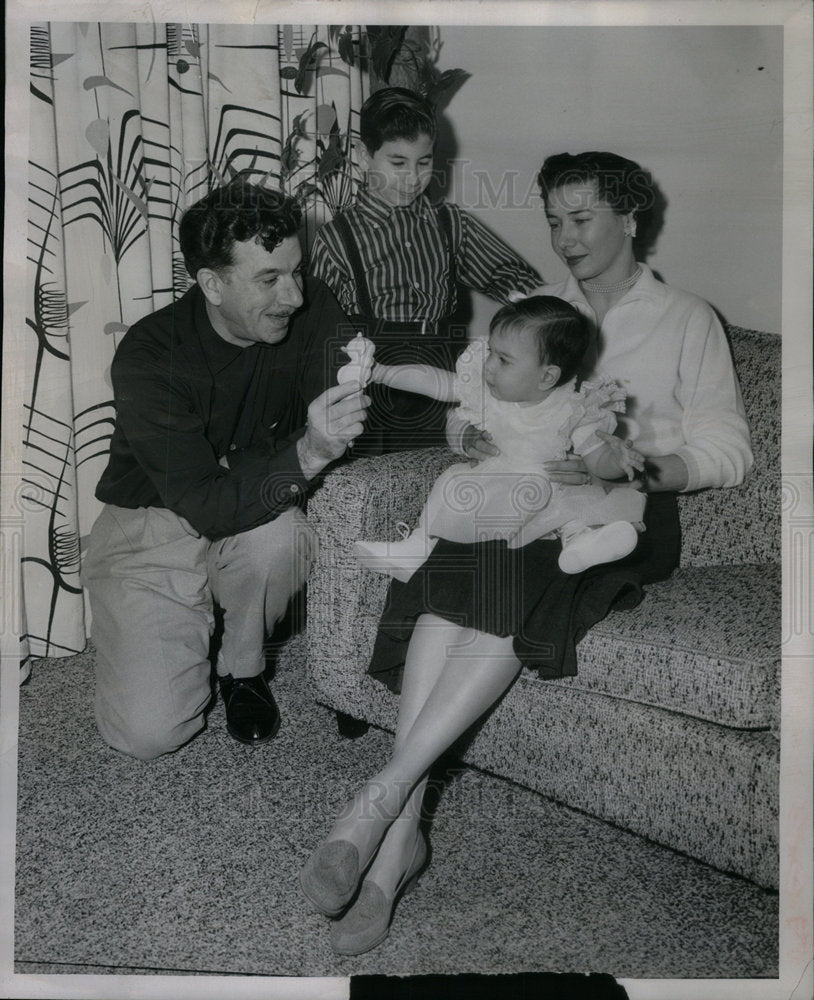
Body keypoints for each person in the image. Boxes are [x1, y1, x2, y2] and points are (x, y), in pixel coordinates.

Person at [299, 151, 753, 956]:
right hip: (518, 499)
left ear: (631, 220)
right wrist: (464, 434)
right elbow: (479, 399)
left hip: (617, 517)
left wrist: (630, 462)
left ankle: (385, 803)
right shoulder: (537, 311)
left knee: (493, 575)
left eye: (581, 220)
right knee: (454, 586)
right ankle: (399, 843)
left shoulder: (686, 317)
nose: (564, 238)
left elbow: (727, 452)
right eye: (553, 220)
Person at [81, 176, 369, 761]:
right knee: (149, 734)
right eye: (269, 279)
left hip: (250, 510)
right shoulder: (149, 354)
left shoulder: (312, 311)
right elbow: (206, 501)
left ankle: (243, 666)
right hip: (152, 524)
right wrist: (309, 450)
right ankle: (177, 625)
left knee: (283, 535)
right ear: (211, 283)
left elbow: (363, 407)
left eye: (296, 270)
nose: (294, 296)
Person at [309, 86, 542, 454]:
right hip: (373, 397)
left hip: (448, 385)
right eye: (397, 163)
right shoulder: (337, 238)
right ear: (363, 156)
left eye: (424, 161)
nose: (413, 177)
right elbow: (319, 337)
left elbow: (520, 285)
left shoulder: (450, 223)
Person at [351, 296, 646, 580]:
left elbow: (597, 462)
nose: (489, 365)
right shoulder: (488, 394)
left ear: (547, 377)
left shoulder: (572, 409)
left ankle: (581, 544)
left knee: (574, 507)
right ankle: (418, 544)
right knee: (452, 479)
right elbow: (436, 382)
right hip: (499, 483)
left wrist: (618, 461)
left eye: (503, 360)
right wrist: (382, 373)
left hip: (551, 487)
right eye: (491, 351)